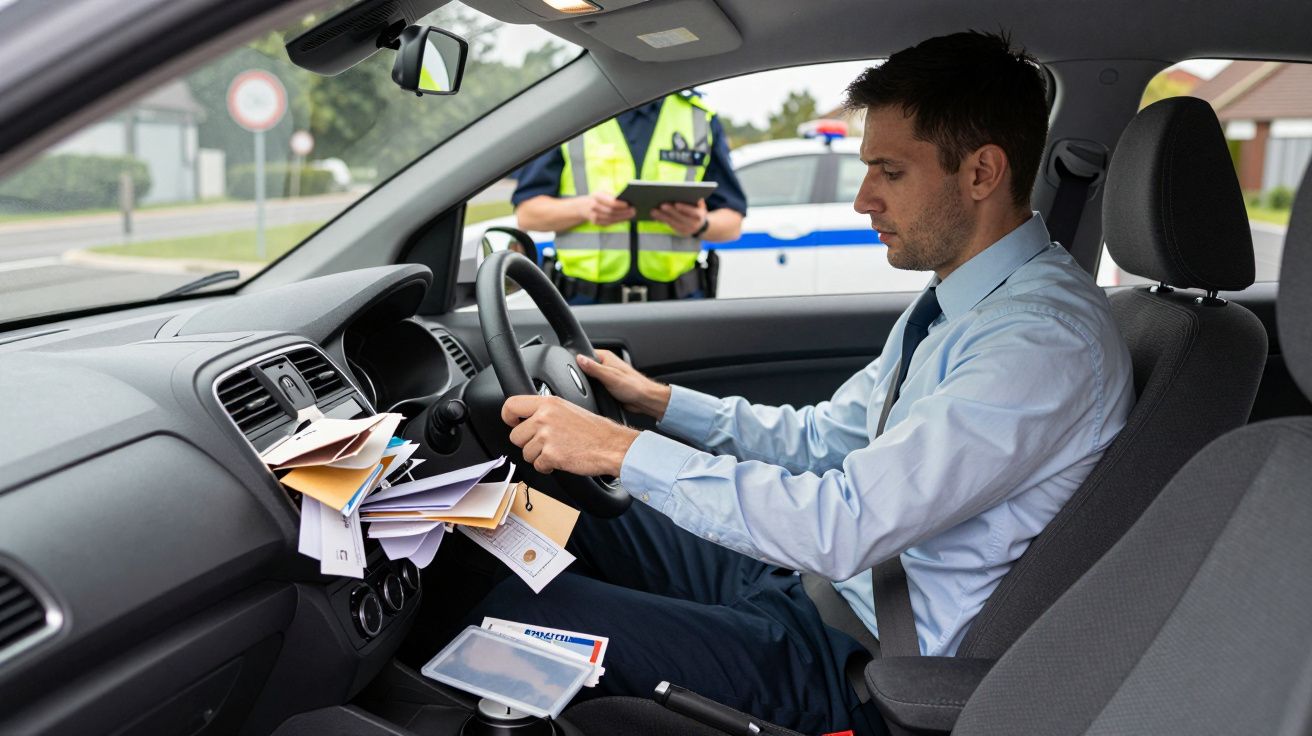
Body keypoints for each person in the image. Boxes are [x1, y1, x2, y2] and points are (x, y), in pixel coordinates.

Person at [472, 31, 1135, 735]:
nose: (862, 200)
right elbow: (824, 437)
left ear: (980, 173)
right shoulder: (962, 301)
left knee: (508, 622)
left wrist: (619, 450)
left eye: (889, 171)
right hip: (811, 585)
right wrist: (661, 404)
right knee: (545, 518)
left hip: (851, 657)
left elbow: (842, 524)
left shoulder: (1039, 344)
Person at [512, 91, 747, 304]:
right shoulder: (571, 117)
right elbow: (527, 214)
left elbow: (733, 224)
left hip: (677, 303)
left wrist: (700, 224)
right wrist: (584, 209)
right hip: (586, 304)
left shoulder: (699, 117)